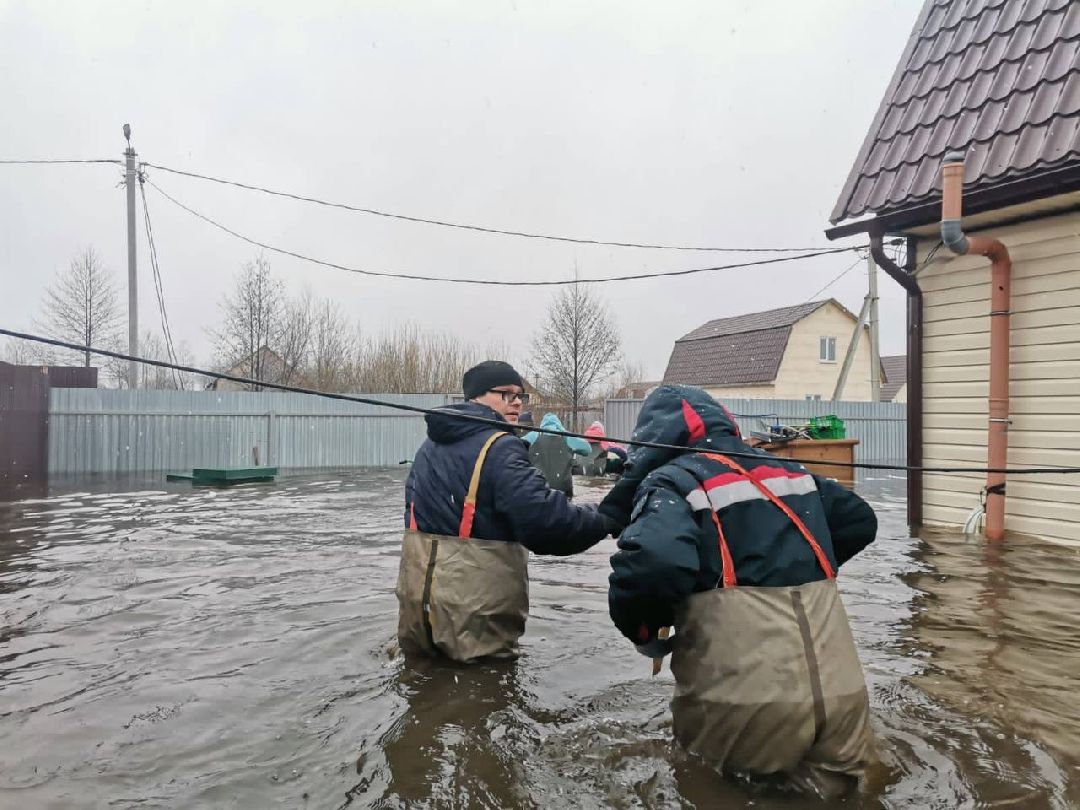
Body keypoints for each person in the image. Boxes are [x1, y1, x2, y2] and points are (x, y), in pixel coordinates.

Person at [600, 385, 878, 795]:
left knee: (713, 790)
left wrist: (644, 629)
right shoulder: (793, 473)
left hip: (747, 703)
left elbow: (655, 562)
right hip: (845, 696)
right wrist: (797, 564)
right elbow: (859, 521)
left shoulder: (673, 481)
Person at [398, 360, 619, 663]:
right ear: (476, 397)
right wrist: (608, 515)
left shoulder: (427, 448)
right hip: (474, 620)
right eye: (506, 393)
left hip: (417, 612)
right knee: (486, 697)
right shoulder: (501, 447)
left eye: (521, 395)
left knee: (424, 691)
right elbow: (548, 526)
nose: (516, 401)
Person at [521, 412, 590, 498]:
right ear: (559, 425)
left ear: (542, 424)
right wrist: (565, 433)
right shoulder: (567, 437)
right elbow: (587, 449)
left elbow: (515, 447)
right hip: (564, 492)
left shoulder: (533, 435)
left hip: (538, 490)